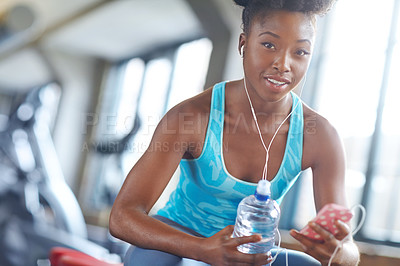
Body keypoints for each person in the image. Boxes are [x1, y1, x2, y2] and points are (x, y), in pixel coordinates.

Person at [109, 0, 360, 265]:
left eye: (300, 52)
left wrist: (340, 254)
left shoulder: (319, 136)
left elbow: (350, 251)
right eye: (268, 45)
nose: (283, 64)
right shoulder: (192, 117)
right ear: (243, 43)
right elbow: (123, 216)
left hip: (252, 254)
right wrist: (202, 249)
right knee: (150, 260)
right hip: (183, 243)